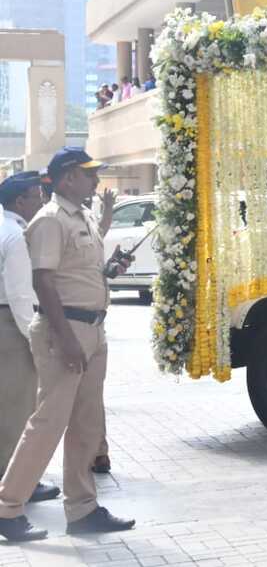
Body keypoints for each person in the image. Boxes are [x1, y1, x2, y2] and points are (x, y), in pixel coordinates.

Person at [0, 148, 134, 541]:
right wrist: (66, 338)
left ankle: (83, 509)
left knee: (86, 425)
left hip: (92, 329)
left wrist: (111, 271)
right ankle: (7, 507)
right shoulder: (50, 220)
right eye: (88, 173)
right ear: (66, 178)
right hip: (67, 333)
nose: (95, 180)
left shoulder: (85, 218)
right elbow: (43, 282)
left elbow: (79, 273)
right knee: (48, 423)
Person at [0, 172, 60, 508]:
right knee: (18, 408)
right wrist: (33, 338)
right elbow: (21, 296)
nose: (42, 200)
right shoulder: (15, 235)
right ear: (20, 200)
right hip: (10, 324)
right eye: (38, 195)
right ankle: (17, 481)